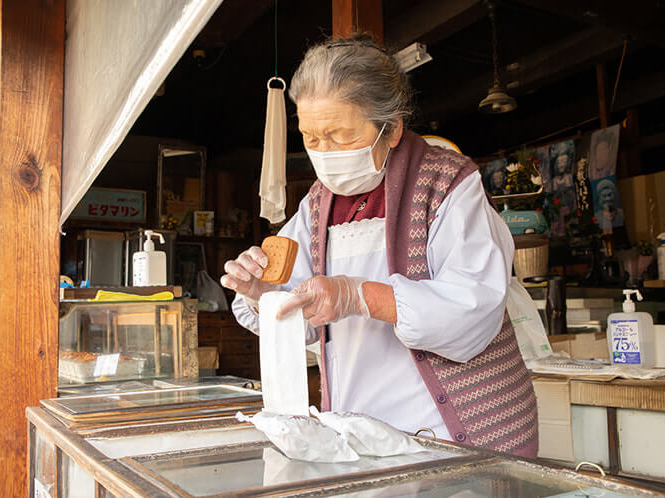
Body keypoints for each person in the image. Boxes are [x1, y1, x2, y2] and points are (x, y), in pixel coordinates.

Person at [221, 34, 538, 457]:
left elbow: (473, 310)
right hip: (359, 433)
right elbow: (304, 318)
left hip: (454, 432)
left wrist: (359, 295)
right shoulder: (316, 204)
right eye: (311, 138)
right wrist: (264, 295)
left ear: (391, 130)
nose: (324, 152)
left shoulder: (449, 184)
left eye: (340, 135)